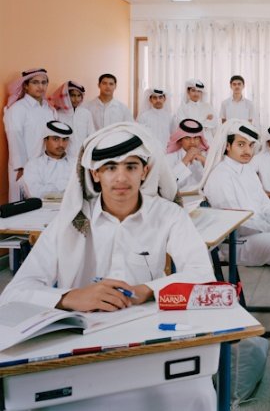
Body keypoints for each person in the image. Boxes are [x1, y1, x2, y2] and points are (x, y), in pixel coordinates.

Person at [0, 122, 217, 410]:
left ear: (146, 171)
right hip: (80, 339)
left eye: (131, 166)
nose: (121, 178)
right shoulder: (70, 222)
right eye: (110, 167)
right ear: (95, 174)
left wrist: (147, 290)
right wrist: (69, 297)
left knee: (198, 393)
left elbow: (202, 274)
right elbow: (14, 293)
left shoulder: (168, 215)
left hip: (149, 333)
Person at [199, 120, 270, 340]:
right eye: (241, 145)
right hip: (233, 242)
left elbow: (265, 206)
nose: (247, 151)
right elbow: (239, 223)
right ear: (227, 146)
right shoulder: (221, 176)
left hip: (256, 234)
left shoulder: (246, 171)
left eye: (250, 145)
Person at [3, 68, 56, 201]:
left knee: (45, 206)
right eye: (35, 82)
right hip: (24, 168)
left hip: (47, 168)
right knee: (23, 209)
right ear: (26, 86)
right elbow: (15, 140)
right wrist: (22, 169)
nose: (41, 86)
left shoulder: (49, 109)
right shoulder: (17, 109)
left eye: (44, 83)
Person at [21, 121, 74, 199]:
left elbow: (83, 190)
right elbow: (35, 193)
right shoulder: (33, 165)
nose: (61, 144)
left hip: (71, 209)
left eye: (65, 139)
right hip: (42, 210)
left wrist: (48, 189)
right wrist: (68, 188)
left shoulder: (76, 163)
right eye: (56, 139)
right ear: (45, 140)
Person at [48, 80, 95, 157]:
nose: (76, 99)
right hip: (64, 157)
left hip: (83, 157)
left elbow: (91, 135)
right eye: (72, 95)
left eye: (78, 96)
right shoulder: (58, 114)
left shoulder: (86, 113)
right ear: (66, 96)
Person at [165, 119, 209, 193]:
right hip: (179, 199)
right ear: (180, 140)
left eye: (196, 138)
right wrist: (186, 159)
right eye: (187, 138)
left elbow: (215, 181)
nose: (192, 142)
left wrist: (204, 161)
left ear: (200, 139)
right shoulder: (170, 157)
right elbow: (167, 184)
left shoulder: (206, 155)